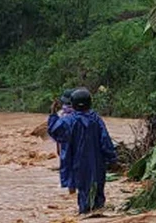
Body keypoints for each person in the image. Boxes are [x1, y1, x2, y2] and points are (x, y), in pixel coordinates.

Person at [47, 87, 117, 215]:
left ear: (73, 104)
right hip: (97, 163)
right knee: (98, 190)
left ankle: (85, 214)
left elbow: (54, 131)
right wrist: (112, 159)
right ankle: (96, 215)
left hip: (77, 163)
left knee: (84, 192)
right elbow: (105, 141)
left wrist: (52, 114)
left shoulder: (68, 121)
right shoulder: (96, 119)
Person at [56, 90, 76, 194]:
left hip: (65, 147)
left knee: (69, 171)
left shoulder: (60, 114)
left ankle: (71, 192)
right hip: (80, 146)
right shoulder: (83, 113)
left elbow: (56, 134)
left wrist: (59, 150)